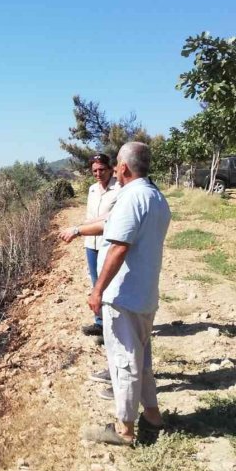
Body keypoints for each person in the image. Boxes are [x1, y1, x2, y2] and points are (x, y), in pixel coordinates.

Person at [85, 141, 171, 445]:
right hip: (145, 295)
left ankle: (125, 430)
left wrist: (97, 290)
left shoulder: (132, 197)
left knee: (124, 362)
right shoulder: (156, 196)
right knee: (142, 360)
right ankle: (152, 415)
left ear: (122, 167)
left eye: (117, 164)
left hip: (125, 297)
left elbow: (119, 246)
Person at [59, 154, 119, 339]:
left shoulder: (119, 188)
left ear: (110, 169)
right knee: (95, 283)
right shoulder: (92, 189)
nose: (98, 173)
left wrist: (80, 228)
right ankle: (100, 323)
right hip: (91, 244)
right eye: (95, 170)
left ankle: (113, 326)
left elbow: (111, 218)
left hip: (107, 243)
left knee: (108, 284)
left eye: (102, 169)